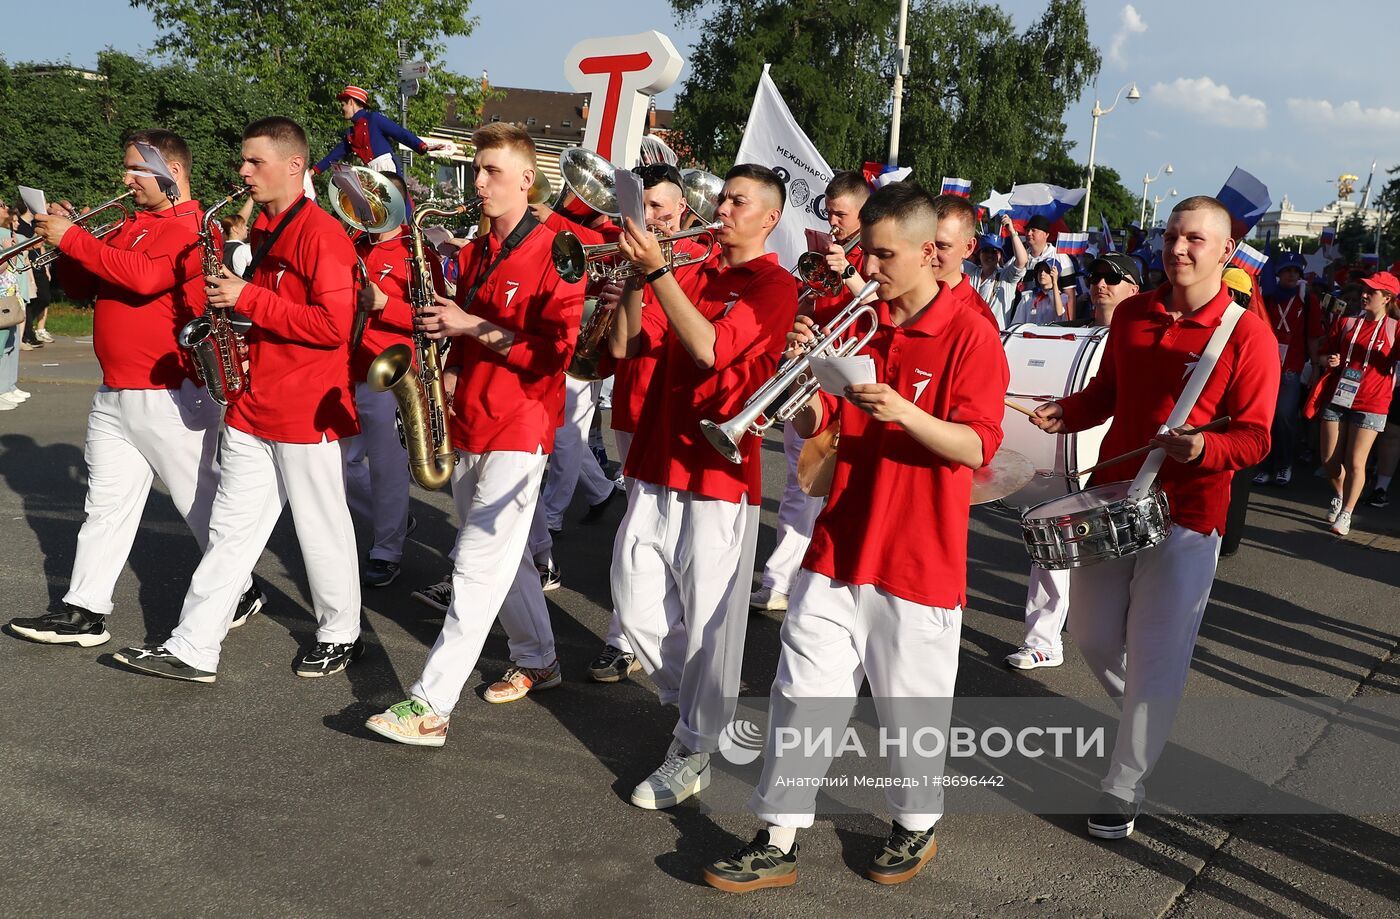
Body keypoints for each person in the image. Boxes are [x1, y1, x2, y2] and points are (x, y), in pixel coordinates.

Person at [702, 182, 1008, 892]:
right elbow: (824, 435)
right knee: (800, 692)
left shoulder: (970, 333)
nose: (867, 269)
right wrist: (804, 392)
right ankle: (776, 835)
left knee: (910, 711)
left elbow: (975, 448)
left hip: (917, 555)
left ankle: (916, 822)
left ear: (930, 251)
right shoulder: (858, 313)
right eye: (864, 253)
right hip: (838, 541)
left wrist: (901, 410)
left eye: (882, 255)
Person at [1030, 196, 1278, 839]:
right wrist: (1069, 411)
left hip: (1189, 513)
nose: (1179, 248)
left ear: (1226, 254)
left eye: (1196, 239)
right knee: (1089, 634)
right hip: (1113, 500)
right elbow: (1109, 394)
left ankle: (1125, 781)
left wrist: (1205, 447)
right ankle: (1150, 716)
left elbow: (1256, 438)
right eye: (1172, 236)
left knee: (1157, 655)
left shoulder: (1248, 334)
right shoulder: (1136, 313)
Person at [112, 117, 364, 683]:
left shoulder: (323, 234)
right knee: (229, 532)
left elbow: (332, 325)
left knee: (320, 527)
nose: (242, 171)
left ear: (294, 166)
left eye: (255, 162)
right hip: (255, 403)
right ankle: (193, 647)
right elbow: (280, 311)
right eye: (243, 161)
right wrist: (243, 330)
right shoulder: (267, 229)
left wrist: (246, 296)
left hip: (306, 409)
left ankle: (340, 632)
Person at [363, 122, 585, 742]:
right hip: (471, 420)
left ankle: (431, 703)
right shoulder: (480, 247)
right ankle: (539, 659)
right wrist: (448, 355)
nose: (479, 182)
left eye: (491, 171)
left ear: (526, 179)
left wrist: (468, 327)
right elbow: (463, 322)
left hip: (522, 423)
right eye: (478, 169)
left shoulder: (558, 249)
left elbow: (553, 356)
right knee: (502, 559)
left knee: (476, 566)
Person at [7, 130, 263, 649]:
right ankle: (84, 611)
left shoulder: (195, 228)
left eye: (136, 170)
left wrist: (76, 238)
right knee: (104, 506)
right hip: (117, 389)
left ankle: (240, 589)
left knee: (201, 503)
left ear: (172, 171)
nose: (125, 180)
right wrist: (68, 244)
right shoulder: (131, 224)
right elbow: (83, 287)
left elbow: (147, 279)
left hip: (170, 389)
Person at [606, 164, 798, 809]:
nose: (722, 208)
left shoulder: (774, 285)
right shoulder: (688, 271)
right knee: (635, 608)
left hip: (718, 473)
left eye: (737, 201)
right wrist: (639, 278)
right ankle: (698, 715)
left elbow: (713, 350)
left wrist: (659, 271)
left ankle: (693, 745)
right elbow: (628, 345)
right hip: (657, 460)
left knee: (710, 623)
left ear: (768, 218)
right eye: (722, 198)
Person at [586, 162, 705, 683]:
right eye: (644, 208)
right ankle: (629, 637)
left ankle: (634, 642)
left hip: (681, 418)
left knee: (670, 543)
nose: (651, 217)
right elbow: (620, 347)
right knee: (638, 531)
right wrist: (620, 295)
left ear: (682, 209)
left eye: (660, 207)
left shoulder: (702, 262)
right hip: (633, 405)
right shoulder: (629, 259)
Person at [1005, 251, 1141, 670]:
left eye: (1112, 278)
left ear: (1135, 290)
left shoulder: (1144, 339)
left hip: (1123, 465)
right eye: (1096, 276)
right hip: (1068, 459)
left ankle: (1124, 644)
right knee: (1050, 544)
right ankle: (1044, 640)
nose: (1100, 284)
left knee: (1121, 568)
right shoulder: (1070, 333)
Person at [751, 169, 870, 614]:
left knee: (833, 495)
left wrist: (852, 272)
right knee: (800, 487)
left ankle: (806, 581)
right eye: (830, 212)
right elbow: (810, 301)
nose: (833, 222)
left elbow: (884, 310)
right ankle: (782, 580)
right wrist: (800, 315)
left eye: (841, 214)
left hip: (851, 388)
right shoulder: (825, 251)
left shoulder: (874, 255)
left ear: (863, 211)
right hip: (813, 380)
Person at [343, 170, 432, 588]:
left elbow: (433, 320)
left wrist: (386, 305)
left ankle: (387, 548)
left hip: (391, 372)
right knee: (341, 468)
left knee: (387, 467)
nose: (367, 208)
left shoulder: (415, 252)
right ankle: (393, 518)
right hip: (348, 369)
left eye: (377, 200)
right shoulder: (352, 245)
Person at [1316, 271, 1397, 536]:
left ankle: (1347, 513)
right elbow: (1321, 353)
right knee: (1329, 459)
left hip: (1372, 402)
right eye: (1364, 290)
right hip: (1339, 395)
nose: (1363, 295)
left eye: (1371, 292)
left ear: (1386, 298)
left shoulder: (1395, 329)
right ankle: (1339, 494)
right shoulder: (1347, 322)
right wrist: (1328, 360)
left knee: (1355, 461)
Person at [1254, 252, 1322, 486]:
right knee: (1265, 418)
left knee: (1284, 416)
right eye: (1287, 270)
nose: (1292, 274)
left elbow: (1313, 336)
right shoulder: (1269, 297)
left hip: (1291, 370)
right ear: (1278, 273)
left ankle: (1284, 465)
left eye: (1296, 271)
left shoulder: (1307, 300)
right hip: (1266, 367)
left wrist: (1315, 366)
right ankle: (1264, 466)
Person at [313, 84, 450, 177]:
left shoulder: (373, 118)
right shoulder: (351, 133)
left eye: (343, 104)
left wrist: (422, 146)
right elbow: (334, 155)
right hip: (370, 171)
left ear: (351, 102)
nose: (342, 109)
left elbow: (400, 133)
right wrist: (312, 172)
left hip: (386, 167)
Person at [970, 214, 1029, 328]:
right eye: (986, 251)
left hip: (997, 337)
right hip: (972, 333)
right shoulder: (971, 272)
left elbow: (1022, 260)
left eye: (994, 252)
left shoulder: (1006, 276)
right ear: (979, 253)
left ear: (1000, 255)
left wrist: (1012, 231)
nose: (990, 255)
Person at [1012, 260, 1069, 325]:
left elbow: (1059, 312)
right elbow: (1017, 323)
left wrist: (1054, 283)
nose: (1042, 273)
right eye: (1040, 270)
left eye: (1047, 271)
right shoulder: (1028, 297)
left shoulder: (1063, 297)